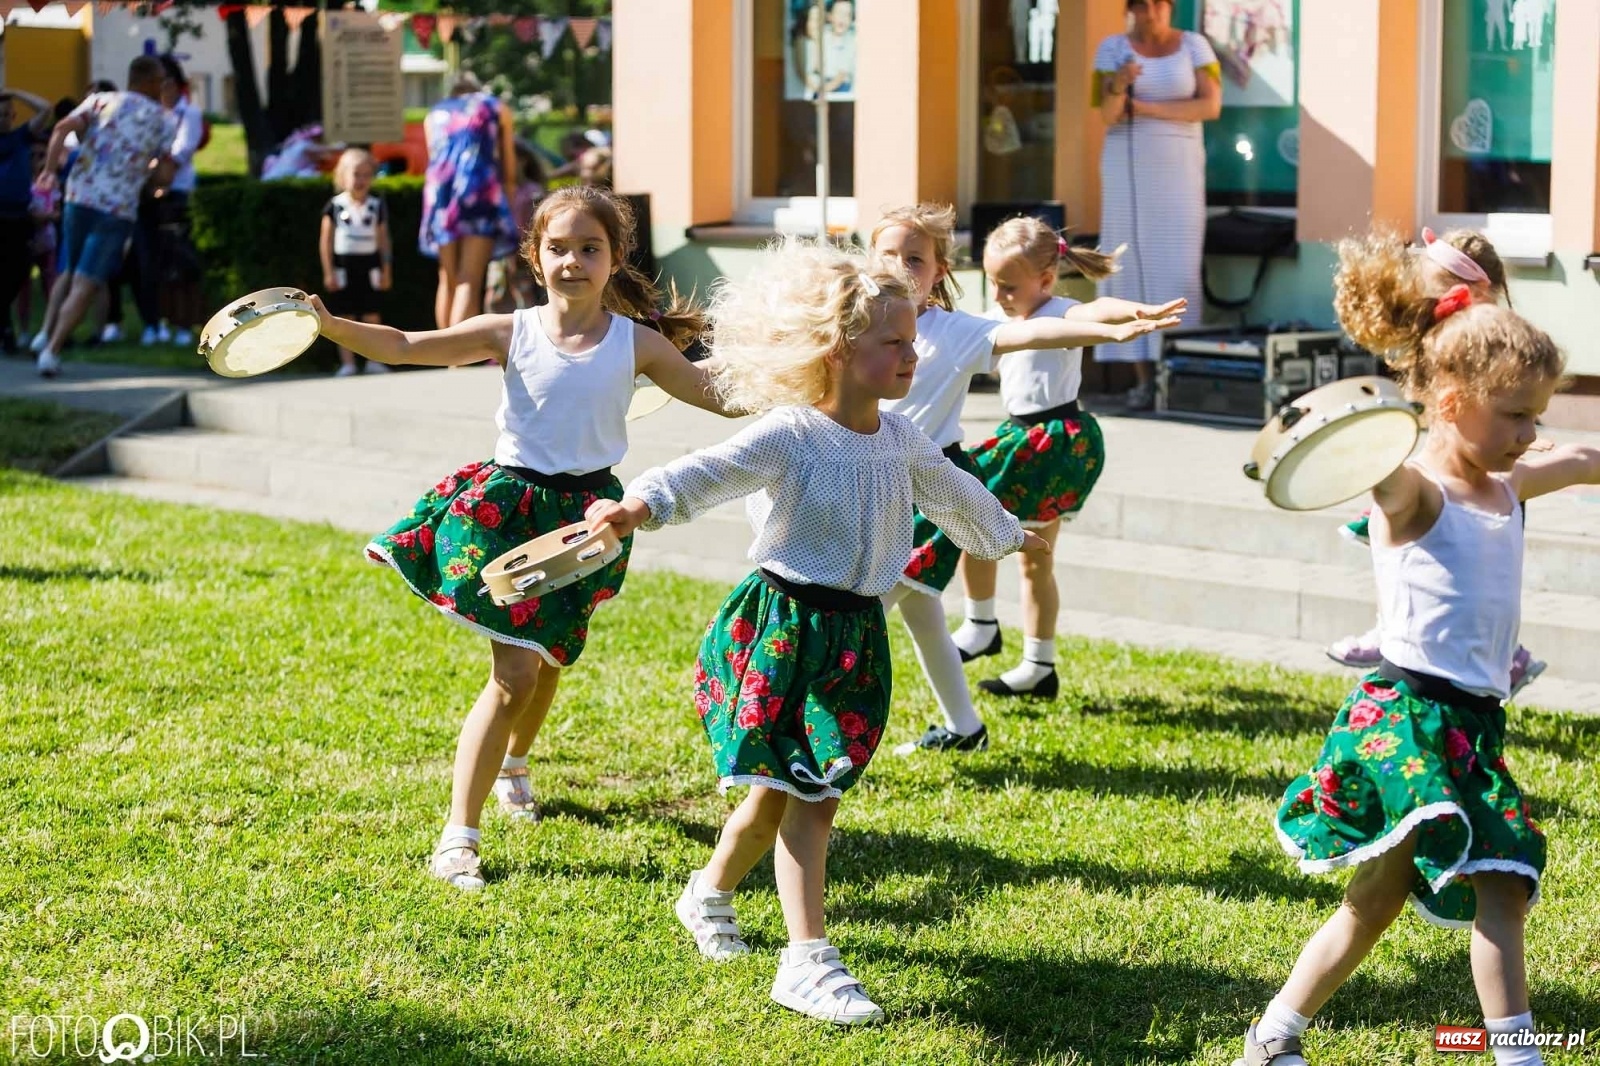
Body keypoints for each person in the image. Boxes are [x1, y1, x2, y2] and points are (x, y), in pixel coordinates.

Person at [583, 238, 1050, 1025]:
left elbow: (956, 492)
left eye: (914, 341)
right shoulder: (792, 433)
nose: (912, 355)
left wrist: (1006, 530)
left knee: (780, 796)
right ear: (838, 351)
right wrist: (636, 505)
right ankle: (806, 962)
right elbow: (706, 471)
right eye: (894, 343)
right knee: (810, 793)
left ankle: (706, 895)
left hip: (854, 633)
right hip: (783, 628)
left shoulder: (901, 437)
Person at [1231, 235, 1600, 1066]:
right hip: (1406, 716)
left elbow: (1579, 460)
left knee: (1375, 900)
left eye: (1537, 413)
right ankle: (1518, 1056)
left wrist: (1553, 450)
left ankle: (1271, 1038)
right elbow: (1369, 461)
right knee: (1502, 880)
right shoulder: (1415, 493)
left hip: (1470, 723)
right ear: (1449, 400)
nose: (1530, 431)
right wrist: (1329, 431)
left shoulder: (1507, 482)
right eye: (1514, 415)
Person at [310, 186, 731, 891]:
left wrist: (807, 365)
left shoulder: (639, 344)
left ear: (615, 258)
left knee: (549, 659)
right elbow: (407, 345)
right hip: (506, 510)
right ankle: (458, 837)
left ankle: (513, 765)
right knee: (512, 677)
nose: (573, 261)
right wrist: (328, 325)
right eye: (558, 248)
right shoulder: (510, 331)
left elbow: (716, 397)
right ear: (535, 260)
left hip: (588, 519)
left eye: (589, 248)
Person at [866, 204, 1180, 755]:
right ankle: (966, 726)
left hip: (934, 486)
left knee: (868, 613)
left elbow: (1044, 329)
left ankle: (824, 733)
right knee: (919, 606)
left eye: (914, 258)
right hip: (878, 485)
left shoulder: (961, 329)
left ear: (940, 271)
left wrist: (1113, 329)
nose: (898, 265)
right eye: (888, 254)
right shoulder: (860, 320)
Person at [1325, 229, 1546, 699]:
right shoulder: (1444, 342)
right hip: (1438, 479)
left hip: (1477, 479)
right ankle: (1394, 629)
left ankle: (1505, 652)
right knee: (1412, 541)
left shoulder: (1499, 348)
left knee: (1471, 560)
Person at [951, 216, 1132, 699]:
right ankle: (1000, 637)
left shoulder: (1060, 311)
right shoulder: (1002, 315)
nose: (999, 293)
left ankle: (1022, 652)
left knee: (1024, 554)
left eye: (1008, 285)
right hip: (1018, 437)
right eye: (991, 282)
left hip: (1051, 439)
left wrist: (1141, 312)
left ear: (1046, 281)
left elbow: (1102, 310)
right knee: (983, 531)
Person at [1092, 0, 1221, 411]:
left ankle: (1181, 373)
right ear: (1131, 9)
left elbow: (1210, 106)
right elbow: (1108, 114)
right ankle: (1141, 378)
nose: (1152, 11)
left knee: (1178, 268)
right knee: (1130, 269)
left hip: (1179, 169)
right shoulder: (1112, 49)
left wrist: (1144, 107)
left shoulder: (1196, 46)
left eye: (1159, 4)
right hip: (1127, 168)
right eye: (1142, 4)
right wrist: (1119, 84)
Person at [31, 57, 176, 377]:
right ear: (151, 82)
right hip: (117, 209)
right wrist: (152, 179)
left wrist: (49, 172)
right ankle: (52, 351)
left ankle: (43, 332)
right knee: (87, 281)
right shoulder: (164, 120)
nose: (165, 86)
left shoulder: (99, 100)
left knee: (69, 268)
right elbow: (164, 174)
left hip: (78, 196)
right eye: (162, 80)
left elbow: (60, 127)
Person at [420, 72, 518, 329]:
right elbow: (507, 163)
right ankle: (458, 358)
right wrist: (508, 201)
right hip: (479, 192)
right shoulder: (495, 107)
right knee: (469, 279)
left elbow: (435, 159)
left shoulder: (434, 114)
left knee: (447, 279)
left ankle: (443, 352)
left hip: (439, 197)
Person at [139, 54, 206, 348]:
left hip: (176, 194)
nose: (163, 88)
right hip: (148, 194)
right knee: (151, 260)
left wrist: (157, 173)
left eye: (167, 81)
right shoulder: (150, 113)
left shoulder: (188, 114)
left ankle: (184, 323)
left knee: (181, 262)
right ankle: (156, 322)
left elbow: (180, 151)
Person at [320, 148, 393, 377]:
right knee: (345, 317)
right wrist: (328, 271)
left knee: (372, 315)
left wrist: (386, 269)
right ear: (343, 176)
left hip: (369, 265)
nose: (361, 180)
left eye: (366, 174)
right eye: (355, 174)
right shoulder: (335, 206)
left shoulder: (376, 205)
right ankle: (348, 363)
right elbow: (326, 240)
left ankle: (374, 359)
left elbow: (384, 239)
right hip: (344, 266)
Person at [0, 86, 54, 352]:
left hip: (20, 217)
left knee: (19, 270)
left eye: (8, 114)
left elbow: (46, 108)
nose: (5, 119)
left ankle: (5, 327)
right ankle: (6, 330)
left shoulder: (21, 137)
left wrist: (13, 91)